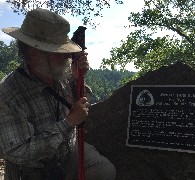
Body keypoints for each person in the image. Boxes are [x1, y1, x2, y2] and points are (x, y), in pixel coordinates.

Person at [0, 8, 116, 180]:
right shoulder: (9, 94)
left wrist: (77, 79)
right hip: (33, 169)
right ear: (34, 53)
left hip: (68, 150)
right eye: (59, 52)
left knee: (104, 171)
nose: (69, 56)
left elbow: (81, 104)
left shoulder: (58, 74)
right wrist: (69, 122)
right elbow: (18, 152)